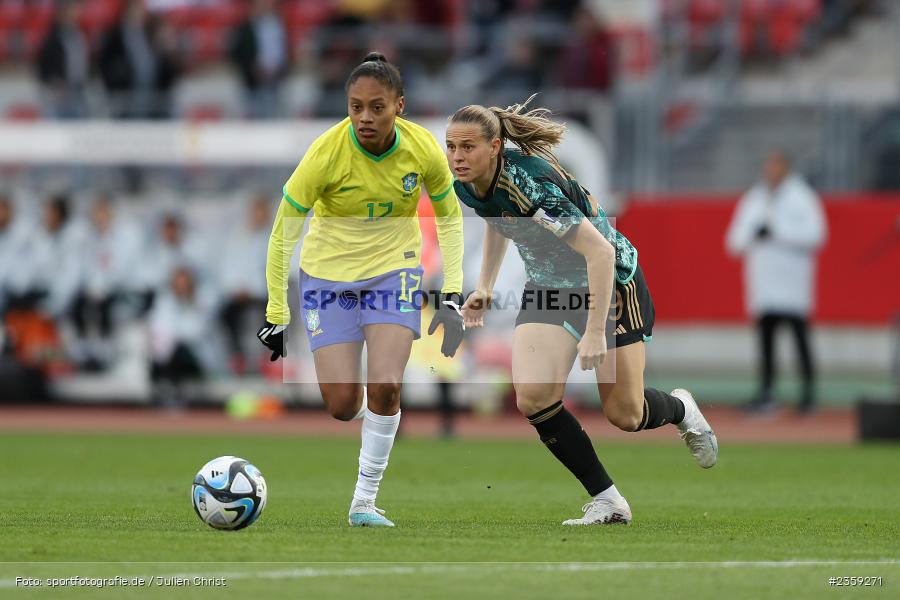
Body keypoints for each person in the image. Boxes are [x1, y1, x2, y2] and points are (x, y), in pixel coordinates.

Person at [449, 97, 718, 526]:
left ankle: (681, 409)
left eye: (468, 148)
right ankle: (608, 500)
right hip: (549, 286)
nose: (458, 157)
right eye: (452, 147)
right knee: (534, 399)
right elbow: (499, 217)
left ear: (495, 147)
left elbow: (601, 253)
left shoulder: (529, 186)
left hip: (610, 282)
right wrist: (485, 285)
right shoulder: (468, 183)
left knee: (625, 414)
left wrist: (595, 330)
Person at [257, 52, 465, 527]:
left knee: (387, 385)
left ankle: (363, 501)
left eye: (377, 107)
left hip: (395, 270)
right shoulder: (325, 154)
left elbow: (450, 217)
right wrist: (275, 312)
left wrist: (451, 289)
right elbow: (283, 231)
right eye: (355, 107)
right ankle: (362, 460)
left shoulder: (423, 150)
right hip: (328, 277)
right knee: (343, 404)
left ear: (400, 106)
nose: (365, 117)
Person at [726, 150, 827, 414]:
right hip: (764, 284)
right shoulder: (754, 198)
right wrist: (755, 233)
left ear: (786, 167)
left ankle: (808, 395)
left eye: (775, 165)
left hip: (793, 284)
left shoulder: (802, 197)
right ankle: (767, 393)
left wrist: (778, 233)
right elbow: (734, 241)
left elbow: (817, 234)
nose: (770, 170)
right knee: (766, 342)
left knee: (800, 339)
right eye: (767, 165)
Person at [229, 0, 289, 119]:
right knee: (253, 110)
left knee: (276, 108)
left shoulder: (279, 25)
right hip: (251, 79)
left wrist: (277, 68)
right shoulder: (245, 27)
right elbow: (238, 52)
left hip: (277, 77)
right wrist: (253, 68)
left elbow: (284, 50)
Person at [35, 0, 90, 119]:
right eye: (69, 10)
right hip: (58, 94)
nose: (72, 13)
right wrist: (54, 82)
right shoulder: (51, 37)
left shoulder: (78, 35)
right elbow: (42, 67)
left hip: (77, 91)